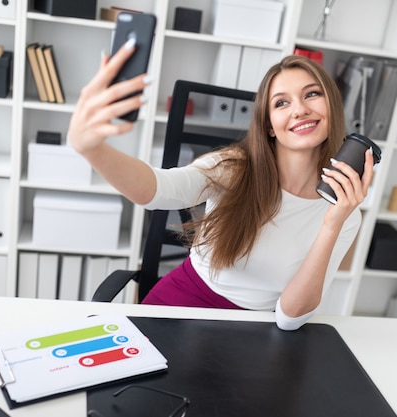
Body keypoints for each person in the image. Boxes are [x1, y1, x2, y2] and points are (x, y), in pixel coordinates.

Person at [68, 38, 375, 331]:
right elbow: (157, 190)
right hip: (179, 307)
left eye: (311, 94)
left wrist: (333, 223)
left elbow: (289, 319)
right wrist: (93, 149)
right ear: (268, 125)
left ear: (331, 106)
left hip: (252, 331)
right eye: (281, 103)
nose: (299, 109)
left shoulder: (344, 211)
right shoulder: (232, 167)